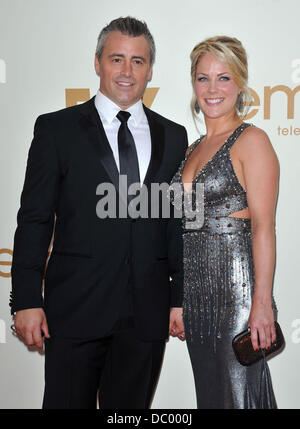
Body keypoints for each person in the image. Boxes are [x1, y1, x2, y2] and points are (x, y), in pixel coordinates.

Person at [10, 16, 187, 409]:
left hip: (146, 314)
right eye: (117, 59)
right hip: (74, 310)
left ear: (150, 70)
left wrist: (179, 297)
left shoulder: (174, 137)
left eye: (138, 61)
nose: (127, 71)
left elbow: (176, 223)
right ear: (97, 63)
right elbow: (35, 218)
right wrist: (25, 299)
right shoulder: (57, 129)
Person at [169, 36, 279, 408]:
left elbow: (264, 226)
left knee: (237, 394)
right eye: (203, 78)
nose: (212, 89)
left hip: (236, 297)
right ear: (193, 83)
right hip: (196, 300)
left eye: (223, 78)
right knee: (212, 397)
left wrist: (262, 302)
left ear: (241, 83)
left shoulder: (253, 141)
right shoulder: (190, 148)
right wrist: (179, 300)